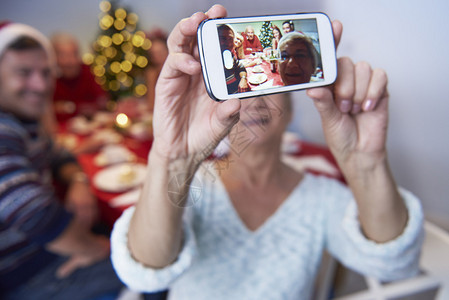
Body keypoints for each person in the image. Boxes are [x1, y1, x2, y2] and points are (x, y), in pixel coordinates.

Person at [110, 5, 424, 299]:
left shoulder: (321, 197)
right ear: (220, 109)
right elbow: (145, 272)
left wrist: (366, 164)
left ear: (288, 112)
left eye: (270, 91)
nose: (255, 103)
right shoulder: (194, 186)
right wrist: (172, 159)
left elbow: (394, 264)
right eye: (243, 90)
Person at [0, 22, 123, 299]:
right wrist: (96, 248)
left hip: (44, 250)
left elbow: (58, 155)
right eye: (24, 73)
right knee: (151, 261)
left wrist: (78, 181)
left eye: (45, 73)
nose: (41, 85)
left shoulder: (21, 124)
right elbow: (37, 216)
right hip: (27, 273)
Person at [51, 32, 108, 125]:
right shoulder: (49, 79)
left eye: (74, 54)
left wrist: (69, 107)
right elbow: (47, 110)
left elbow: (101, 101)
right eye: (63, 55)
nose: (70, 61)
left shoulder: (86, 71)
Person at [218, 24, 250, 94]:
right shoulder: (212, 62)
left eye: (230, 39)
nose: (228, 43)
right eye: (223, 39)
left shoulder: (229, 55)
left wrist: (243, 79)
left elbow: (241, 67)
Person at [145, 29, 169, 112]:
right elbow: (151, 104)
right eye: (153, 53)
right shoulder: (152, 73)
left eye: (160, 52)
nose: (157, 56)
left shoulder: (176, 71)